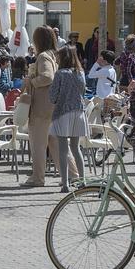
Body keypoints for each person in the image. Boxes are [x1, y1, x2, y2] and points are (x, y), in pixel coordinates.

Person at [21, 26, 77, 187]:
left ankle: (37, 177)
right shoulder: (55, 55)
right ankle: (73, 175)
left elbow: (47, 77)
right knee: (57, 144)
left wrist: (31, 81)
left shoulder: (43, 56)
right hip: (54, 106)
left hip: (41, 108)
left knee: (38, 144)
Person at [49, 46, 89, 193]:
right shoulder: (80, 72)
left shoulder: (60, 74)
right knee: (76, 148)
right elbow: (83, 91)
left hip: (63, 113)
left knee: (63, 149)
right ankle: (82, 180)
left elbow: (52, 97)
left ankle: (65, 183)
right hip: (79, 112)